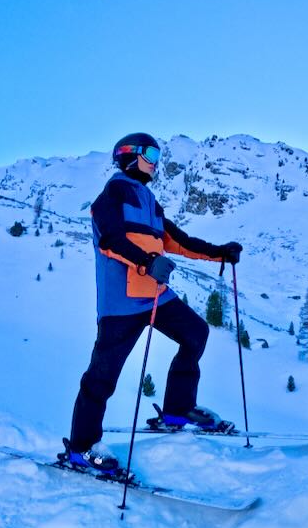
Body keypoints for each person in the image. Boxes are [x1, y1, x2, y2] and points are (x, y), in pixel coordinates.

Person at [63, 132, 243, 472]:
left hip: (156, 296)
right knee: (102, 377)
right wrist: (147, 262)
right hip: (121, 304)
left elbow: (181, 242)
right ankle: (81, 448)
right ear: (128, 155)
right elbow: (110, 240)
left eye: (159, 155)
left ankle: (177, 409)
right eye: (150, 154)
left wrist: (221, 253)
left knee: (195, 333)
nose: (156, 162)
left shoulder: (150, 203)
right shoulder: (111, 196)